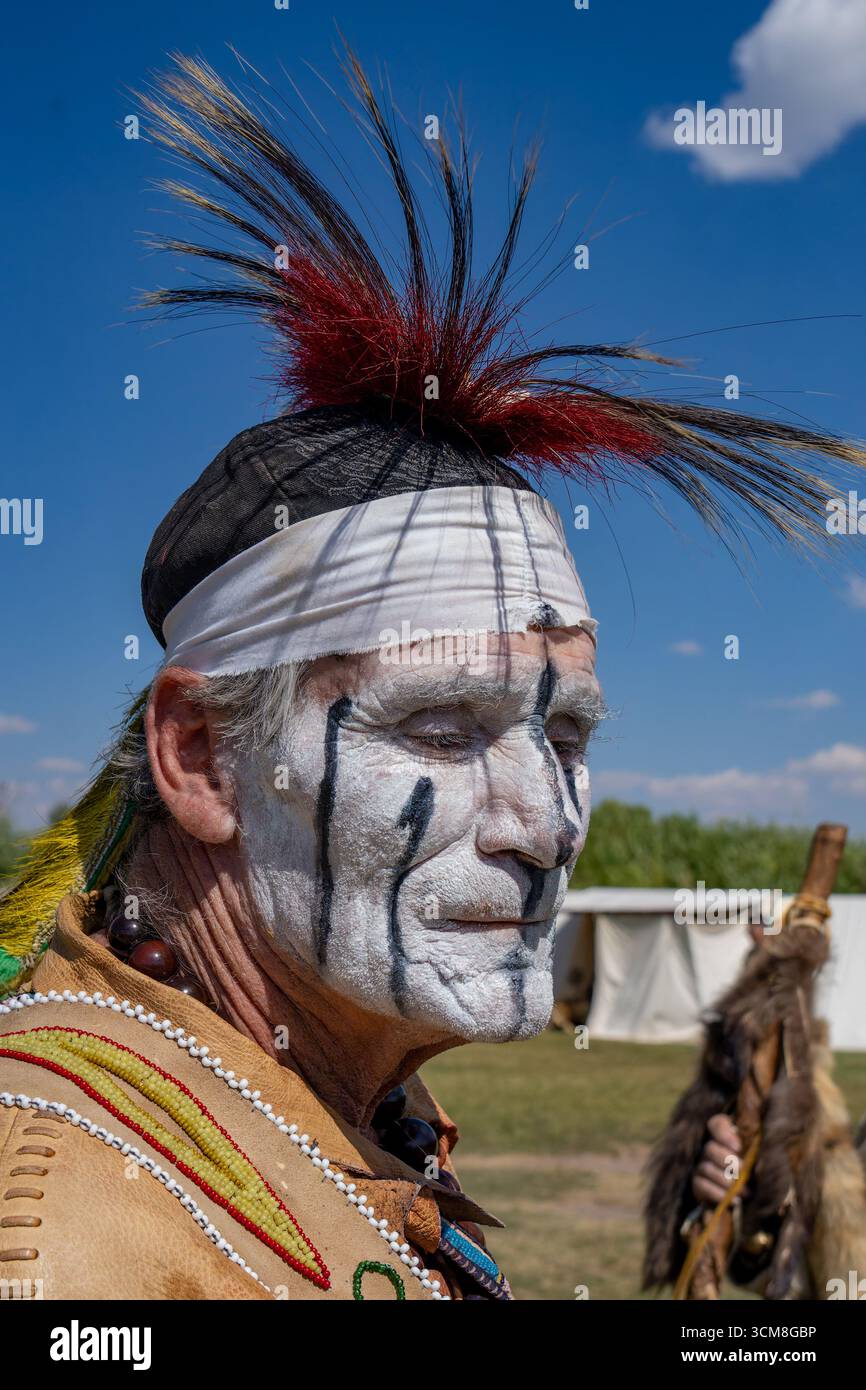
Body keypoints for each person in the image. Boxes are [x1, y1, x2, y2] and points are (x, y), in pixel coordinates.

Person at [1, 50, 862, 1301]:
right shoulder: (59, 1229)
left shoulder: (335, 1100)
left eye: (563, 737)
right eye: (443, 725)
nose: (546, 825)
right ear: (199, 758)